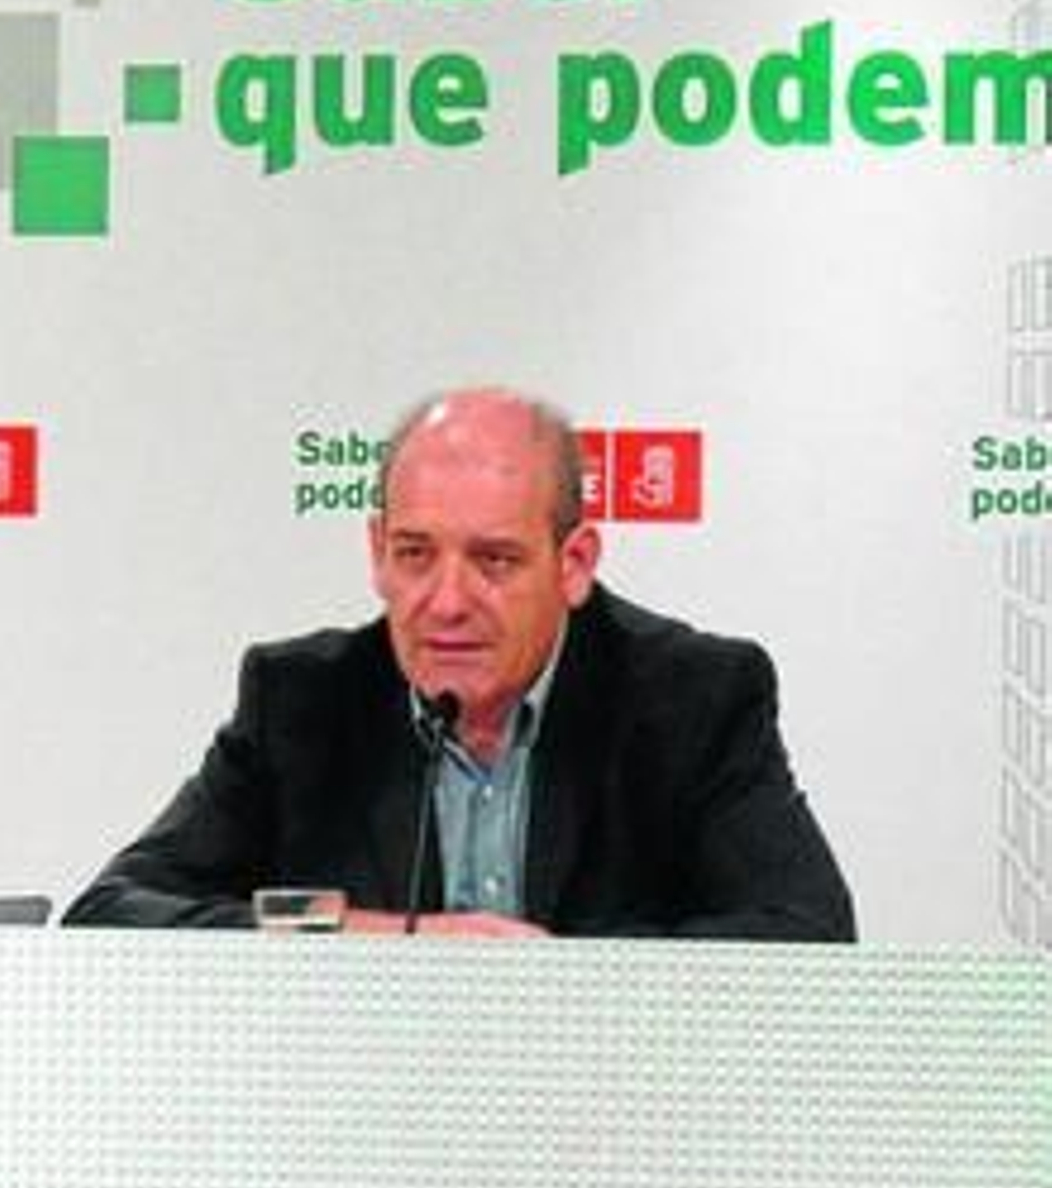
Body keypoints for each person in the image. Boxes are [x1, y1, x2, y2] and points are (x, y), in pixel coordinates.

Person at [63, 388, 854, 938]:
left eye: (495, 561)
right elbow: (113, 913)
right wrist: (360, 934)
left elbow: (805, 935)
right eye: (414, 555)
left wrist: (546, 979)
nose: (446, 601)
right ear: (376, 553)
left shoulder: (690, 699)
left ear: (574, 563)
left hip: (617, 1132)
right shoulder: (304, 702)